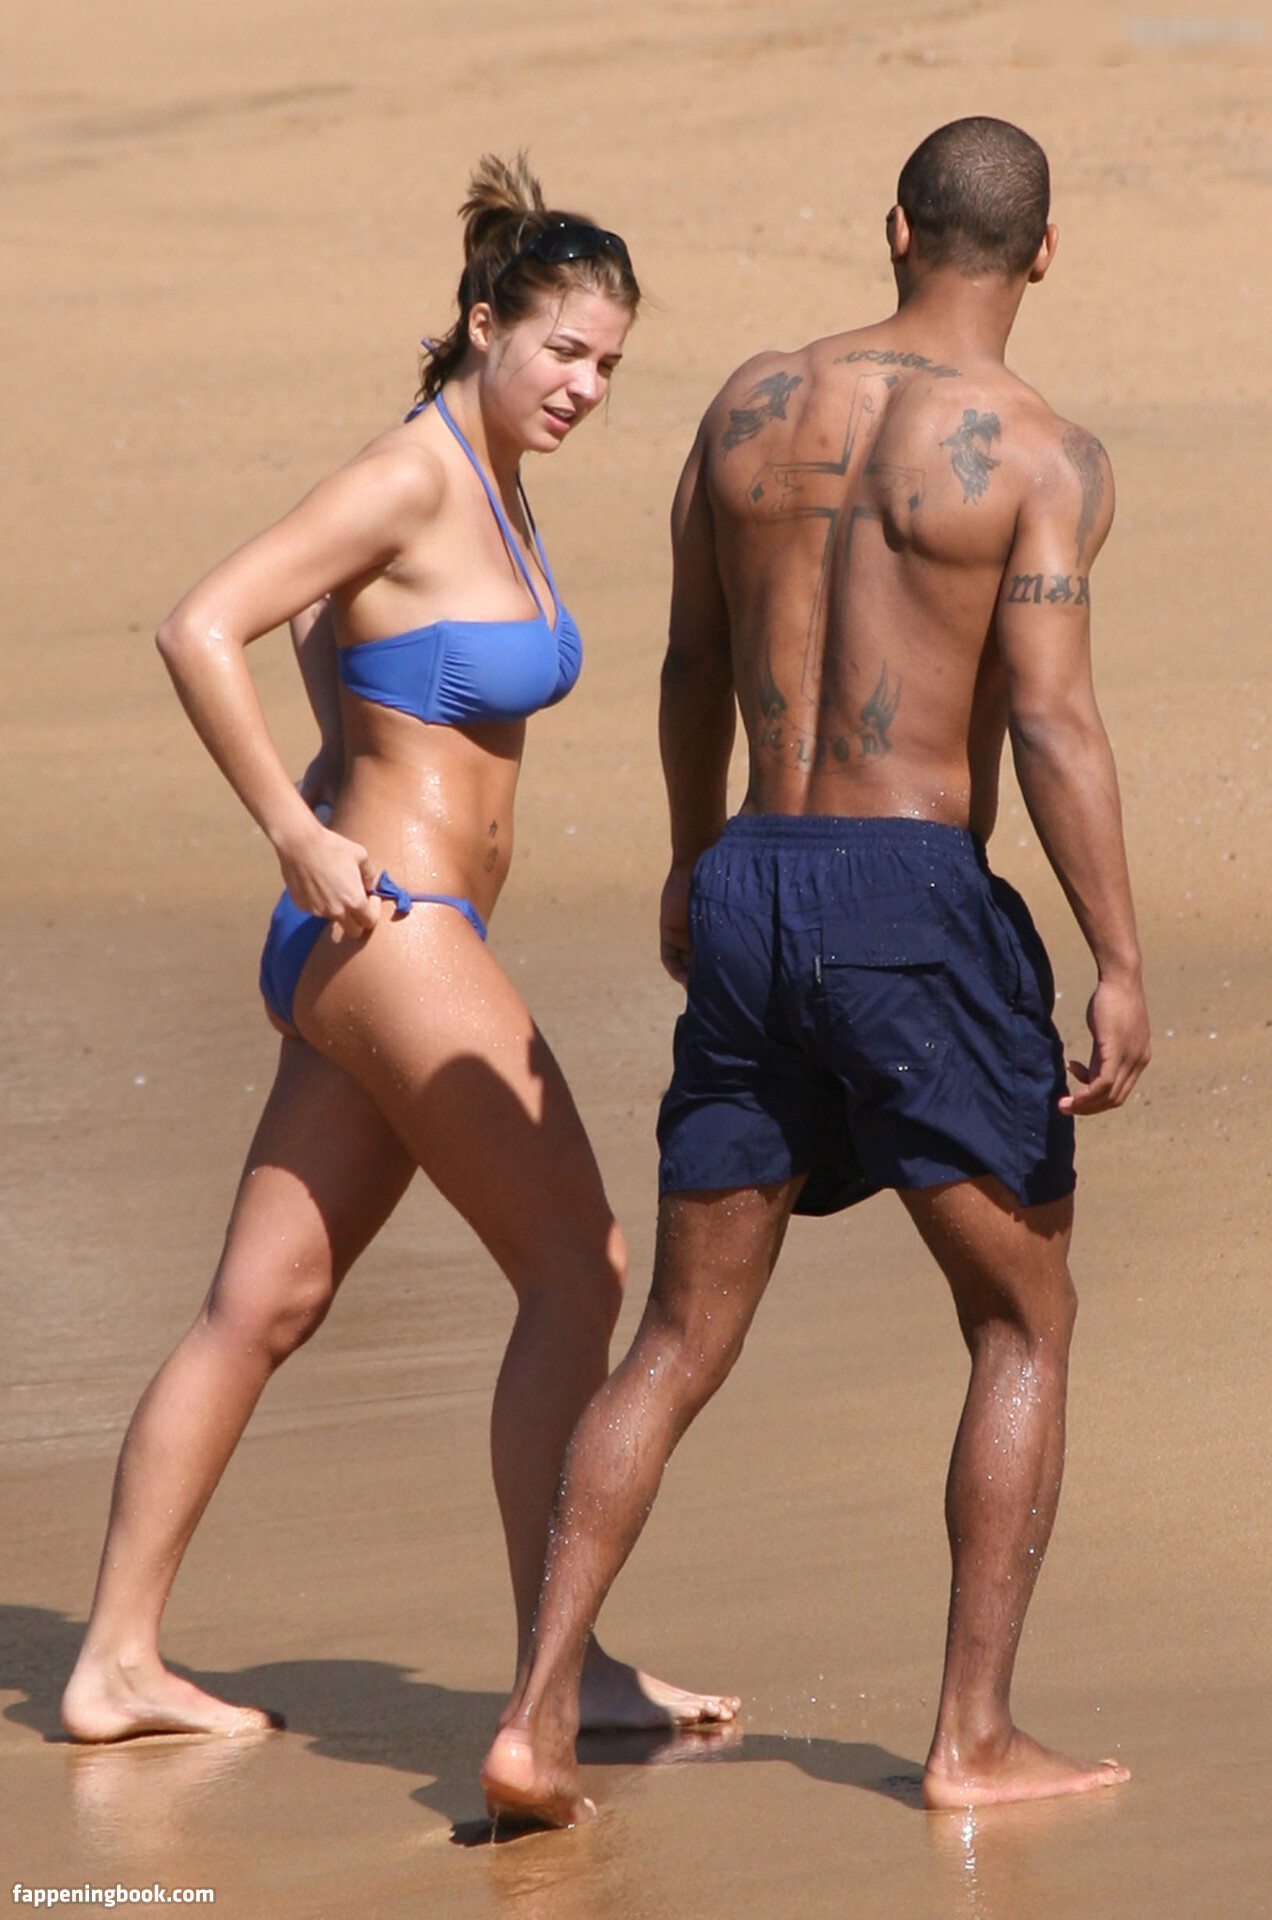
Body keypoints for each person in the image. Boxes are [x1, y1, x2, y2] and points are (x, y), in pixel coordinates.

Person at [480, 116, 1151, 1823]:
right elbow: (1053, 724)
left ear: (894, 229)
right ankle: (972, 1740)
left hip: (754, 879)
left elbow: (692, 661)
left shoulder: (746, 409)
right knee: (1022, 1316)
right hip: (909, 892)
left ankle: (536, 1717)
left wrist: (692, 856)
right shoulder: (1042, 453)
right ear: (1045, 253)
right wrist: (1118, 957)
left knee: (677, 1337)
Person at [61, 155, 737, 1744]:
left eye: (609, 365)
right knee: (581, 1267)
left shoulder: (489, 476)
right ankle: (558, 1669)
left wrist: (339, 752)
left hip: (383, 935)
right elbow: (202, 624)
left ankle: (113, 1663)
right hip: (391, 925)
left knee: (264, 1304)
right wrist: (297, 826)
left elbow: (325, 620)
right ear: (486, 323)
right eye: (562, 350)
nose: (584, 387)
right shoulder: (413, 473)